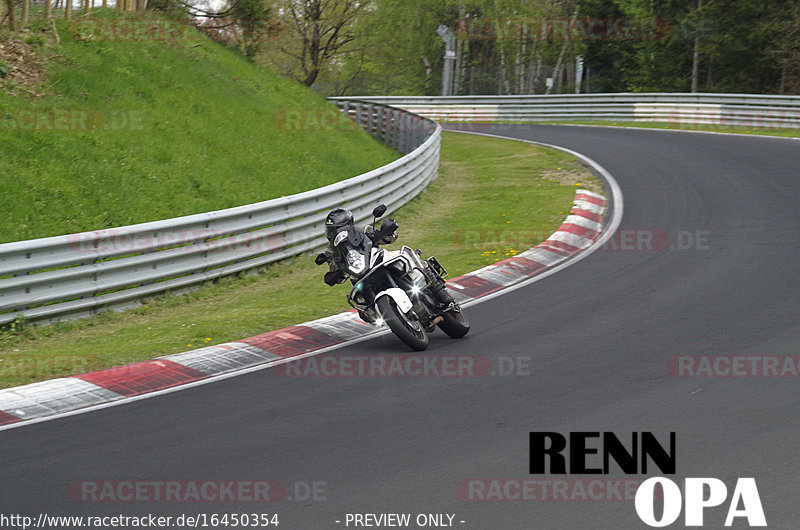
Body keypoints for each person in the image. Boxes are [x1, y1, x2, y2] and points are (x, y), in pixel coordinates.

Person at [320, 208, 455, 317]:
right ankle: (392, 317)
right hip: (359, 275)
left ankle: (444, 298)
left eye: (337, 228)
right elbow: (333, 268)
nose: (335, 232)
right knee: (362, 308)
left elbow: (389, 237)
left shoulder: (360, 231)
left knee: (406, 256)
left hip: (377, 260)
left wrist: (385, 234)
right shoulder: (330, 251)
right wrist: (335, 276)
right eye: (331, 230)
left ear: (348, 225)